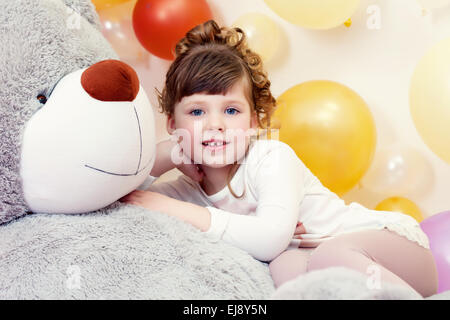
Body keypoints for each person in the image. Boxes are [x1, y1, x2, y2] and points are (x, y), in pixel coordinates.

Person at [120, 20, 438, 298]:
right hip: (326, 263)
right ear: (173, 124)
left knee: (328, 255)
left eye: (231, 110)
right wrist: (166, 153)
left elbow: (270, 237)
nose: (215, 123)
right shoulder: (183, 190)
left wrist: (179, 211)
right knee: (285, 271)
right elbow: (121, 199)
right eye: (197, 111)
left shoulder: (269, 157)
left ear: (254, 122)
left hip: (394, 252)